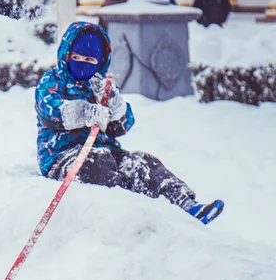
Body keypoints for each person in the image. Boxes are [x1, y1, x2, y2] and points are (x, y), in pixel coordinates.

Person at [34, 22, 224, 224]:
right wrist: (84, 112)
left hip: (105, 151)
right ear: (66, 55)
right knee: (98, 163)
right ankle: (121, 213)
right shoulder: (54, 79)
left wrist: (116, 108)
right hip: (62, 156)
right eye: (76, 58)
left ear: (100, 62)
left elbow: (123, 124)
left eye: (89, 59)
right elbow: (49, 108)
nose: (82, 63)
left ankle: (185, 205)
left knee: (142, 163)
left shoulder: (101, 85)